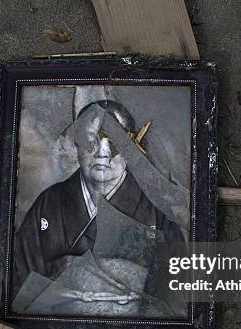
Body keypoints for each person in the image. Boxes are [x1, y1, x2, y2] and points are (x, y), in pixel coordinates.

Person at [12, 100, 184, 297]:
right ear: (76, 144)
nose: (103, 153)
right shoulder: (50, 202)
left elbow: (178, 285)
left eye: (115, 142)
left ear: (132, 147)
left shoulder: (155, 207)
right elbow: (22, 278)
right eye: (90, 140)